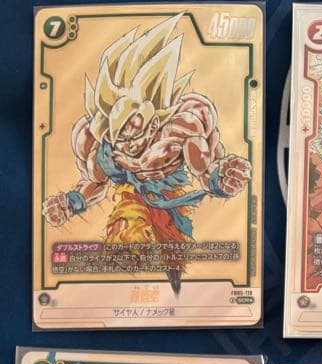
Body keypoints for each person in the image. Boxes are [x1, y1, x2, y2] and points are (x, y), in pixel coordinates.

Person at [41, 14, 251, 293]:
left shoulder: (183, 126)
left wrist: (222, 179)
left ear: (154, 122)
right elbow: (95, 183)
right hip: (132, 190)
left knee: (174, 253)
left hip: (171, 188)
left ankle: (176, 291)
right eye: (118, 137)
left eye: (134, 133)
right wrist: (70, 203)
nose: (127, 145)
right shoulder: (96, 140)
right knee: (125, 238)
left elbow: (205, 168)